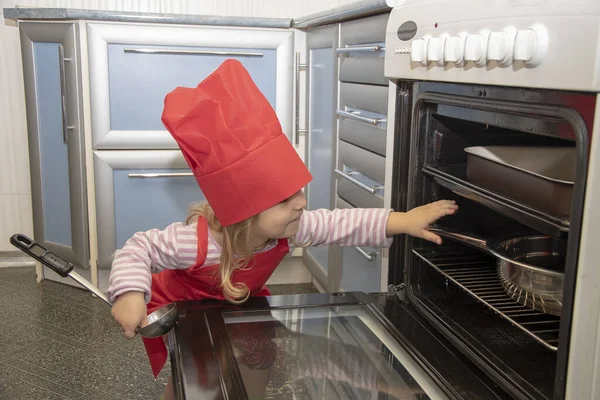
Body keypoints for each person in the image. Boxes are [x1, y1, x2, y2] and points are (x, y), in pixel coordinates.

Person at [107, 59, 458, 400]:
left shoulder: (292, 226)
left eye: (299, 191)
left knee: (262, 355)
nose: (302, 204)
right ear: (243, 213)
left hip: (241, 306)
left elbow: (342, 224)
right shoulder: (194, 242)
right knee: (197, 375)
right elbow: (139, 249)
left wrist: (404, 220)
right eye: (284, 199)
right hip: (190, 312)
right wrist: (129, 293)